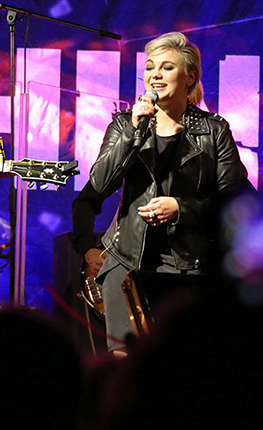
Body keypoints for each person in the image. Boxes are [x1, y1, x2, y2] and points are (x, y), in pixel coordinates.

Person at [71, 31, 250, 353]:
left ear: (189, 76)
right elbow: (98, 184)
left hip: (190, 267)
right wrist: (133, 132)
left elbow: (235, 206)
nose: (155, 74)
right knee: (126, 368)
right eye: (150, 66)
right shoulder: (124, 124)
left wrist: (181, 209)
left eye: (167, 67)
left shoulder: (214, 130)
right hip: (126, 262)